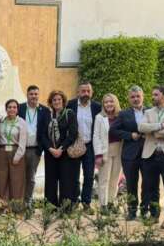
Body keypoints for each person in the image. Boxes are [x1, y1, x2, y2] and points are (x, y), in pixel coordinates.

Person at [138, 85, 164, 228]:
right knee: (151, 187)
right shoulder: (148, 112)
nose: (153, 97)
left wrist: (155, 132)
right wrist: (160, 125)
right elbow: (141, 127)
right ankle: (154, 215)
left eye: (156, 95)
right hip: (150, 154)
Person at [110, 86, 147, 220]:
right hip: (130, 154)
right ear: (129, 99)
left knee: (147, 183)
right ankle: (132, 211)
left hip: (148, 153)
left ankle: (145, 210)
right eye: (133, 97)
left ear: (142, 97)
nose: (136, 99)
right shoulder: (123, 114)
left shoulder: (150, 111)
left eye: (138, 96)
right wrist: (130, 135)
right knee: (131, 184)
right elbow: (113, 130)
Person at [41, 90, 78, 211]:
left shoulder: (69, 114)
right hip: (50, 153)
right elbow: (42, 135)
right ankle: (50, 207)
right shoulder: (47, 115)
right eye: (54, 100)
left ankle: (65, 207)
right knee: (50, 181)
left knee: (65, 180)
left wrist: (61, 149)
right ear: (51, 102)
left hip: (65, 153)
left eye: (59, 99)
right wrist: (51, 149)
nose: (56, 102)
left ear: (63, 101)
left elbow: (72, 134)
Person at [67, 81, 102, 210]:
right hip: (75, 145)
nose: (86, 93)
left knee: (89, 175)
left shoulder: (97, 107)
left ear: (91, 93)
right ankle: (75, 200)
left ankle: (86, 202)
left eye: (88, 91)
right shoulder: (70, 105)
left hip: (90, 146)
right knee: (74, 175)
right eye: (83, 91)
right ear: (78, 92)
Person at [0, 99, 28, 211]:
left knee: (16, 180)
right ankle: (2, 206)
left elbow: (23, 142)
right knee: (1, 180)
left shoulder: (21, 122)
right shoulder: (1, 121)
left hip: (15, 150)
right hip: (2, 151)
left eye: (14, 107)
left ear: (17, 109)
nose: (12, 109)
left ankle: (16, 207)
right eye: (9, 107)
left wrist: (18, 156)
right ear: (6, 109)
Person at [18, 85, 48, 207]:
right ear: (27, 95)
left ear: (38, 95)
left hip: (35, 149)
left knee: (31, 177)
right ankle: (18, 201)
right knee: (19, 175)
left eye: (36, 94)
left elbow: (46, 131)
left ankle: (28, 201)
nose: (34, 96)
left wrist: (40, 149)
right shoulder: (20, 108)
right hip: (21, 149)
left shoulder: (45, 111)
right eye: (31, 94)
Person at [92, 93, 122, 211]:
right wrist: (98, 155)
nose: (109, 104)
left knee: (115, 179)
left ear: (115, 103)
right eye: (106, 102)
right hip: (105, 151)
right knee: (104, 179)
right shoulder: (100, 117)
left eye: (111, 101)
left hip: (119, 149)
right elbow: (96, 136)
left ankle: (110, 202)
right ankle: (103, 205)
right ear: (103, 104)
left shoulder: (121, 116)